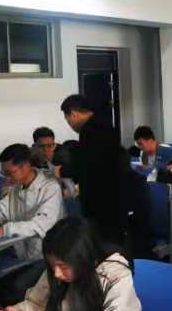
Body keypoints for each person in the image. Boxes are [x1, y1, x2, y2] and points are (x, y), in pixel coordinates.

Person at [0, 218, 143, 311]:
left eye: (63, 266)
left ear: (83, 259)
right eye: (52, 265)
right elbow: (39, 304)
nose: (56, 273)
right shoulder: (61, 269)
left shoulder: (116, 276)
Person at [0, 144, 66, 304]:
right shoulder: (16, 188)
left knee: (17, 288)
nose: (6, 178)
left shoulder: (50, 187)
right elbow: (1, 212)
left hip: (50, 256)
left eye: (9, 173)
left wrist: (4, 230)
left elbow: (42, 224)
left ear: (25, 166)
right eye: (3, 174)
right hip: (25, 255)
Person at [62, 95, 150, 254]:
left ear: (74, 114)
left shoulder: (91, 130)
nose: (71, 125)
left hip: (105, 204)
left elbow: (90, 167)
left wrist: (64, 170)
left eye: (68, 121)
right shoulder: (103, 124)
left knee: (109, 248)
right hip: (115, 200)